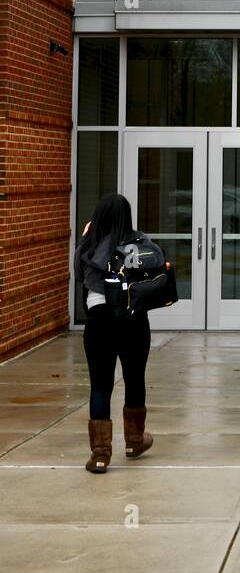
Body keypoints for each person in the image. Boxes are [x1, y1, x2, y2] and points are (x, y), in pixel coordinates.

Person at [74, 193, 155, 474]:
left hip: (99, 322)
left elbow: (79, 274)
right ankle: (134, 442)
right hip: (133, 320)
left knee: (100, 385)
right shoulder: (140, 242)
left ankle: (100, 454)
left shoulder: (91, 243)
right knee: (134, 379)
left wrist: (86, 238)